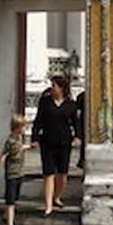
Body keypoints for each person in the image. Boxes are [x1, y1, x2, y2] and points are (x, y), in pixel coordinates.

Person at [30, 73, 79, 216]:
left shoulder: (70, 104)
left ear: (62, 88)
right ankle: (48, 205)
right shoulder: (45, 102)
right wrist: (34, 138)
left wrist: (77, 136)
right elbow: (38, 121)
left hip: (64, 142)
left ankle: (57, 196)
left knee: (62, 174)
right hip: (47, 141)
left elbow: (75, 123)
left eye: (54, 86)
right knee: (48, 173)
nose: (51, 88)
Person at [0, 113, 27, 225]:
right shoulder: (9, 141)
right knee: (11, 201)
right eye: (23, 127)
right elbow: (3, 157)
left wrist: (28, 147)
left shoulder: (20, 139)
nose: (25, 129)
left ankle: (6, 216)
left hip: (20, 172)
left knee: (15, 197)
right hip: (11, 173)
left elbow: (20, 148)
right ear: (17, 127)